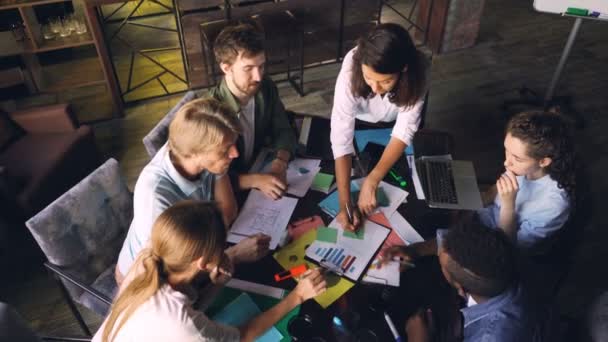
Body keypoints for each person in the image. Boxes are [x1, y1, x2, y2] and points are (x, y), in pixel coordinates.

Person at [95, 201, 326, 342]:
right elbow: (242, 336)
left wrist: (217, 283)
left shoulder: (149, 257)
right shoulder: (180, 322)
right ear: (203, 264)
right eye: (221, 246)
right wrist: (298, 296)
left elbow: (187, 306)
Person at [115, 98, 270, 285]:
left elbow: (227, 212)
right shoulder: (155, 196)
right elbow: (169, 274)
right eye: (225, 150)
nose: (235, 154)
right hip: (148, 280)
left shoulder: (201, 154)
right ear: (194, 153)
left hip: (198, 249)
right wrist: (232, 255)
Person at [330, 23, 428, 231]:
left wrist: (372, 179)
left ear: (403, 69)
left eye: (385, 81)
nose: (374, 88)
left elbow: (404, 130)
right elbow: (341, 138)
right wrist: (345, 203)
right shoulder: (351, 70)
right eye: (368, 78)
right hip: (361, 121)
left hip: (395, 122)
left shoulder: (418, 72)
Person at [384, 220, 535, 342]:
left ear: (460, 289)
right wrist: (416, 250)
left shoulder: (490, 336)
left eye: (442, 265)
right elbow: (448, 245)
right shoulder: (501, 253)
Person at [207, 22, 298, 200]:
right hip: (233, 194)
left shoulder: (266, 87)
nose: (258, 77)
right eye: (248, 69)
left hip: (261, 170)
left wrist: (280, 162)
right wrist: (254, 180)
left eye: (261, 66)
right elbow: (207, 181)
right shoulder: (209, 112)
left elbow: (283, 130)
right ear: (226, 68)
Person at [476, 110, 576, 250]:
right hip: (481, 217)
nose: (506, 163)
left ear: (543, 161)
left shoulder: (554, 205)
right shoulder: (520, 167)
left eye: (517, 158)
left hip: (496, 243)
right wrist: (470, 204)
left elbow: (508, 246)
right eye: (506, 150)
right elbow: (493, 193)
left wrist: (508, 204)